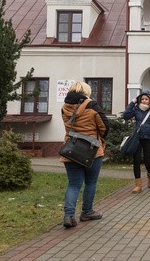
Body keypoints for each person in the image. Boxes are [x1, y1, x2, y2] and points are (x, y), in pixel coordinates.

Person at [60, 81, 109, 228]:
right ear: (86, 92)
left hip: (71, 149)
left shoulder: (64, 107)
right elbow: (105, 127)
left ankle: (68, 215)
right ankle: (87, 211)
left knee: (74, 184)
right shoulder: (92, 106)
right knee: (90, 182)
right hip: (92, 151)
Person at [122, 89, 150, 193]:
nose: (144, 100)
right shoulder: (136, 109)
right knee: (136, 160)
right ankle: (138, 185)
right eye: (142, 99)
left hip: (149, 137)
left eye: (146, 99)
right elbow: (126, 115)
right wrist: (132, 102)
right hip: (138, 137)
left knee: (147, 160)